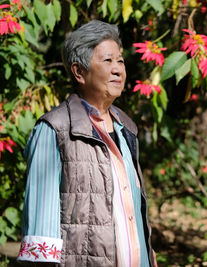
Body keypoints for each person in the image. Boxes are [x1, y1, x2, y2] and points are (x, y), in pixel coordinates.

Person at [16, 20, 156, 267]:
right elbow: (41, 236)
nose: (118, 70)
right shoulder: (55, 130)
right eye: (107, 61)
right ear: (79, 72)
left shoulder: (126, 128)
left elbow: (135, 216)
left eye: (120, 61)